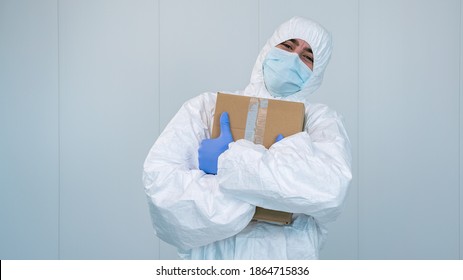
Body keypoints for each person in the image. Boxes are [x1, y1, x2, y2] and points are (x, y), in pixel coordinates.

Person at [143, 16, 352, 259]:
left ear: (317, 73)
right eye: (287, 46)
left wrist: (227, 162)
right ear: (268, 48)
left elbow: (329, 190)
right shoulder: (207, 108)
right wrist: (269, 188)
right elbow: (163, 194)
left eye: (307, 57)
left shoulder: (321, 122)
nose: (293, 58)